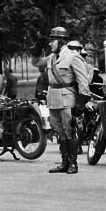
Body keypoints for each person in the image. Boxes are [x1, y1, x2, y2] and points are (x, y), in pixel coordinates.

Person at [31, 26, 91, 175]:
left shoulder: (73, 57)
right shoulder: (52, 57)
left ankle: (73, 163)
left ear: (61, 41)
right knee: (60, 131)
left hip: (67, 98)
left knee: (69, 130)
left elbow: (83, 81)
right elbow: (36, 63)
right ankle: (64, 162)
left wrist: (80, 104)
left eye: (53, 41)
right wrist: (37, 47)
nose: (50, 43)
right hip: (53, 98)